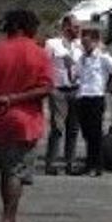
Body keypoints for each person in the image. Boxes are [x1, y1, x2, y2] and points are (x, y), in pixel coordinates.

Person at [0, 9, 53, 222]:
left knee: (6, 171)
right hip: (26, 121)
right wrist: (15, 99)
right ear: (24, 27)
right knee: (16, 173)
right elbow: (46, 88)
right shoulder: (38, 53)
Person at [74, 25, 112, 177]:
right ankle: (88, 163)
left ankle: (97, 165)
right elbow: (77, 76)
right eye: (83, 41)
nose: (85, 43)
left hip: (96, 97)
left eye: (88, 40)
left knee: (95, 133)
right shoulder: (82, 58)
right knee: (86, 132)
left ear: (95, 41)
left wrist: (107, 89)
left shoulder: (103, 57)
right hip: (82, 96)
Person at [43, 14, 82, 176]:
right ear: (66, 27)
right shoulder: (52, 44)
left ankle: (70, 163)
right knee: (57, 127)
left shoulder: (80, 45)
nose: (78, 30)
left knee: (73, 129)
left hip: (76, 89)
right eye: (75, 27)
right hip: (59, 89)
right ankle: (51, 162)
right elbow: (44, 64)